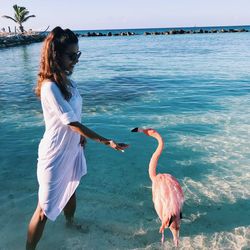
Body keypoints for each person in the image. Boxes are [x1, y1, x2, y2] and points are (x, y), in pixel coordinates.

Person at [26, 26, 128, 250]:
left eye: (78, 54)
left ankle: (70, 224)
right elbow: (70, 122)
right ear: (56, 55)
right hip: (54, 155)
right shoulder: (49, 87)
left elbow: (75, 116)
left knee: (71, 189)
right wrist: (105, 141)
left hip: (72, 148)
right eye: (72, 55)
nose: (76, 60)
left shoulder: (68, 83)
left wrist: (80, 139)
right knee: (43, 209)